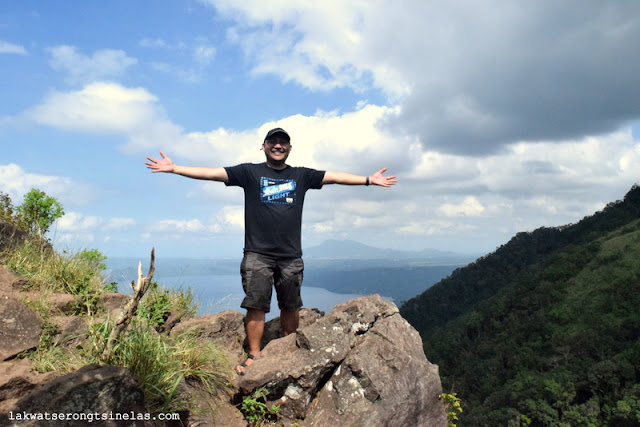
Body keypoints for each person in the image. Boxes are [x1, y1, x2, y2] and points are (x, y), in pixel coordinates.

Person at [145, 128, 397, 374]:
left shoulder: (301, 176)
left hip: (290, 256)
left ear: (289, 148)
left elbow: (334, 176)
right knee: (256, 305)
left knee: (291, 305)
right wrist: (175, 168)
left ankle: (289, 349)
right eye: (273, 142)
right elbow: (212, 173)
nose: (278, 146)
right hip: (258, 254)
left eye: (283, 142)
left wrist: (368, 180)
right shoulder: (249, 172)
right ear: (263, 146)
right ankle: (254, 354)